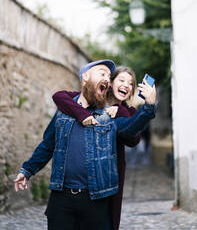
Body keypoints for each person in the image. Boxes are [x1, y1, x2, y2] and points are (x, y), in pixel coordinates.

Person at [14, 59, 157, 230]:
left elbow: (130, 129)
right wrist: (27, 170)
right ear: (85, 77)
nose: (106, 78)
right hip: (61, 199)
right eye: (102, 74)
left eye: (108, 76)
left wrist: (149, 107)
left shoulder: (107, 115)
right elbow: (48, 145)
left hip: (95, 199)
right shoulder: (65, 110)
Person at [52, 66, 141, 230]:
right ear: (111, 83)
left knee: (107, 220)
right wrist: (82, 114)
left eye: (130, 83)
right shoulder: (94, 101)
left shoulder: (128, 111)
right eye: (121, 80)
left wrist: (119, 110)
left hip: (110, 179)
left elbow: (134, 139)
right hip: (82, 182)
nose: (126, 85)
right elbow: (59, 96)